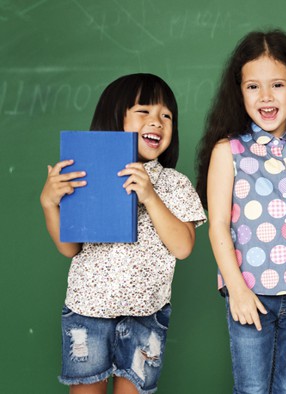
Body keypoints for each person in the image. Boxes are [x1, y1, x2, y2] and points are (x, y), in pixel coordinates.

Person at [195, 29, 286, 394]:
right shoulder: (227, 152)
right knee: (251, 390)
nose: (265, 97)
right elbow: (217, 227)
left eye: (277, 85)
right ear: (239, 91)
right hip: (251, 295)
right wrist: (237, 290)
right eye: (252, 87)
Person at [40, 73, 206, 394]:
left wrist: (150, 196)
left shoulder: (175, 183)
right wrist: (49, 204)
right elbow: (69, 248)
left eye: (166, 115)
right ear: (116, 118)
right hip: (88, 311)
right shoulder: (87, 175)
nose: (156, 121)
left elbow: (183, 246)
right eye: (143, 111)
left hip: (146, 314)